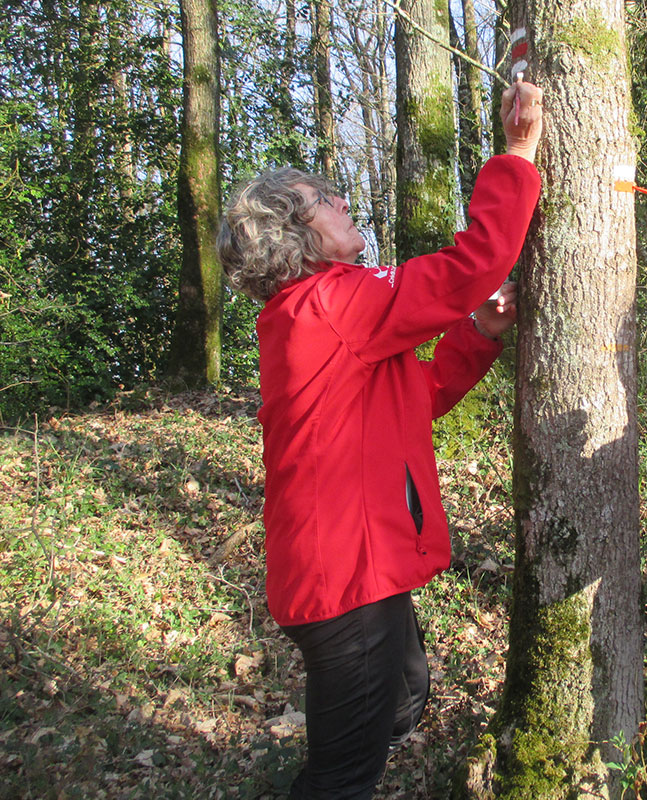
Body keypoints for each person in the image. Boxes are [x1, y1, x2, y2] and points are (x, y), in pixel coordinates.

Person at [217, 81, 544, 799]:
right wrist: (518, 153)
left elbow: (415, 398)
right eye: (325, 201)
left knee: (403, 701)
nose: (343, 204)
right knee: (341, 778)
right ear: (295, 234)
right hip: (344, 582)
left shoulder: (321, 316)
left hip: (357, 572)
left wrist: (480, 333)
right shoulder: (333, 301)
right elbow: (470, 265)